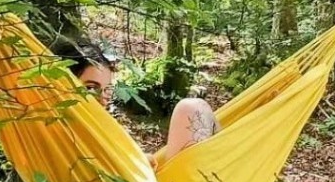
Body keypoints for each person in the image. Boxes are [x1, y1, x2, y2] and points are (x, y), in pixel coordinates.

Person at [49, 37, 221, 170]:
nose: (103, 98)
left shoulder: (94, 125)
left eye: (108, 88)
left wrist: (138, 163)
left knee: (196, 109)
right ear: (62, 85)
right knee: (192, 108)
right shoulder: (59, 128)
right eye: (91, 87)